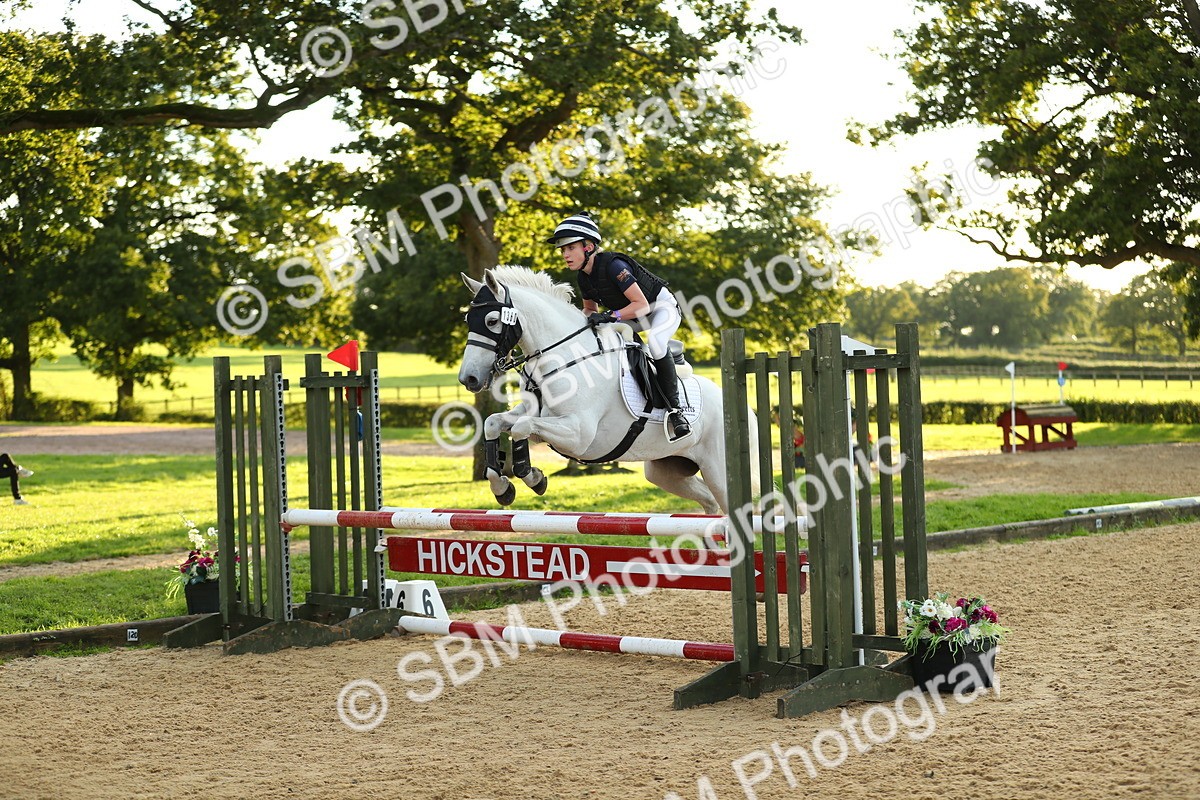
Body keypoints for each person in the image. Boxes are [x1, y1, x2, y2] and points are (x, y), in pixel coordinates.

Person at [546, 211, 691, 441]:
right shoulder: (584, 277)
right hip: (631, 315)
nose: (565, 254)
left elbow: (641, 305)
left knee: (655, 342)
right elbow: (590, 311)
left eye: (570, 248)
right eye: (563, 250)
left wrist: (610, 316)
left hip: (660, 309)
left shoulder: (614, 266)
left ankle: (676, 411)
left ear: (588, 246)